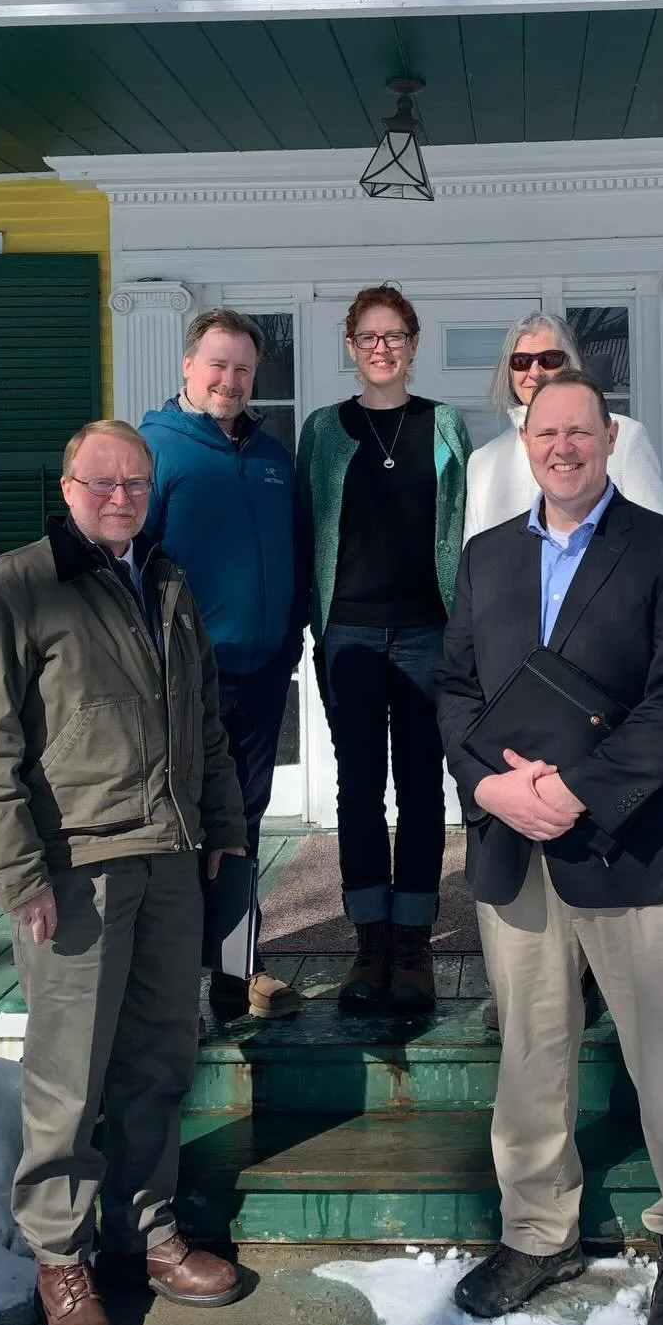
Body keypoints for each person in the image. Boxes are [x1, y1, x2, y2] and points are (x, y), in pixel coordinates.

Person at [0, 419, 247, 1325]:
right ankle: (62, 1262)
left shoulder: (164, 580)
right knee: (68, 1075)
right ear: (68, 485)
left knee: (158, 1057)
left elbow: (204, 718)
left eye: (136, 483)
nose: (121, 497)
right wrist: (18, 871)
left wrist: (226, 823)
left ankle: (148, 1231)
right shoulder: (19, 585)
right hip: (75, 867)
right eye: (102, 481)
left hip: (170, 857)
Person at [437, 370, 663, 1325]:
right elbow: (457, 690)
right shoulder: (484, 560)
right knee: (532, 1053)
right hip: (517, 848)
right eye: (544, 432)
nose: (562, 447)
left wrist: (584, 788)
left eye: (580, 432)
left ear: (609, 440)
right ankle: (537, 1232)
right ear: (526, 445)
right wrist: (490, 790)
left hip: (638, 848)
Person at [296, 284, 472, 1014]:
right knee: (359, 790)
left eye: (394, 335)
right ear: (349, 345)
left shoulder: (444, 424)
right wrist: (316, 621)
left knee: (425, 790)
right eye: (368, 336)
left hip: (429, 631)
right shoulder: (323, 429)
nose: (381, 348)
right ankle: (368, 941)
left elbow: (469, 521)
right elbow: (306, 528)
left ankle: (413, 947)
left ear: (413, 343)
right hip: (351, 633)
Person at [143, 307, 306, 1021]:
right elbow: (131, 564)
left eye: (243, 369)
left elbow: (299, 551)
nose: (230, 380)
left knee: (243, 820)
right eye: (217, 364)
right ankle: (175, 970)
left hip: (264, 673)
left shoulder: (273, 458)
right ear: (187, 366)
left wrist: (291, 630)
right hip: (185, 682)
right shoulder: (155, 451)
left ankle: (239, 971)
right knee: (188, 824)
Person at [463, 312, 663, 541]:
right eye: (521, 361)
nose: (534, 372)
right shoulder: (483, 462)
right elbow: (476, 559)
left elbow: (661, 540)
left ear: (571, 362)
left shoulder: (624, 437)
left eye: (549, 359)